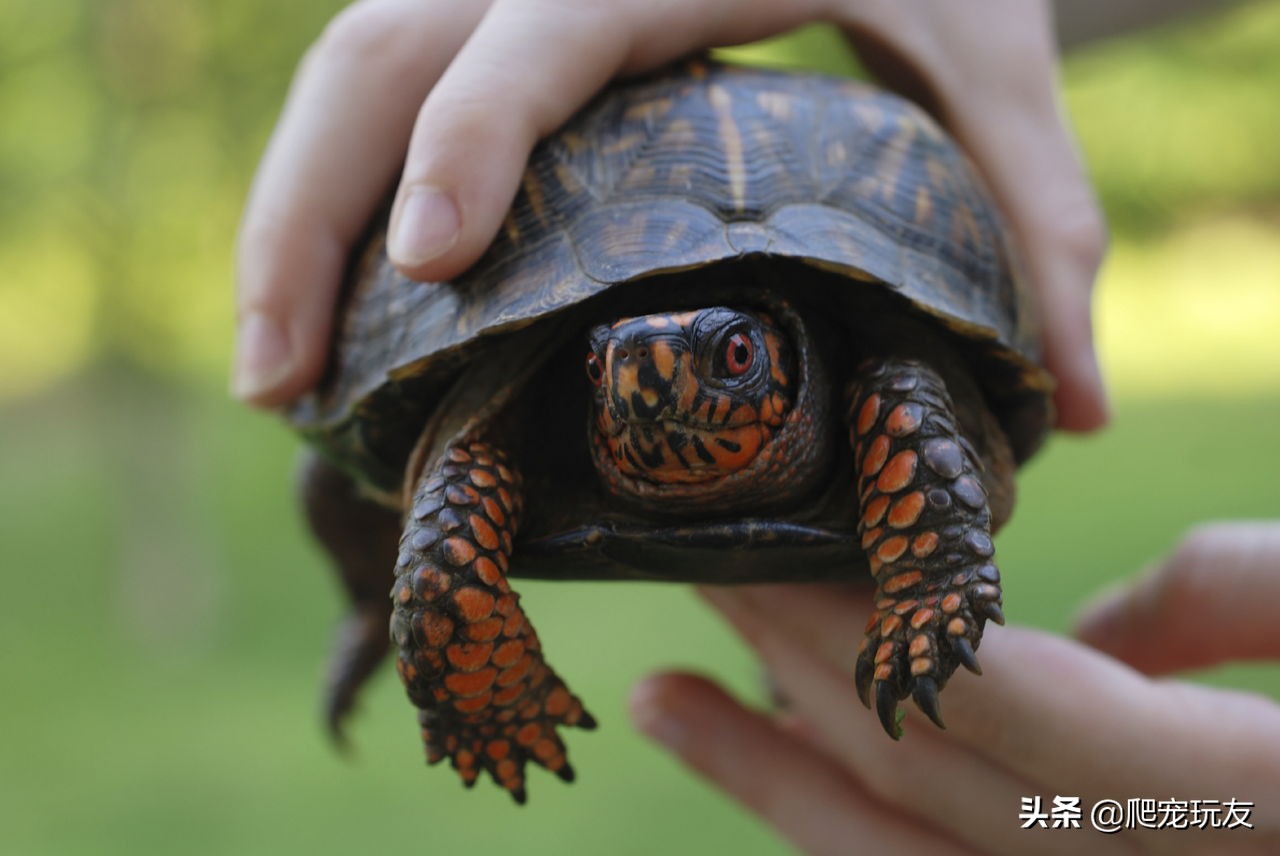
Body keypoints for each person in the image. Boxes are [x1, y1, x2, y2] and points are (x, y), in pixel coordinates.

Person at [234, 0, 1279, 849]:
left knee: (902, 394)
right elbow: (441, 509)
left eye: (727, 357)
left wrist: (929, 576)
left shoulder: (878, 387)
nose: (659, 383)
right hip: (510, 368)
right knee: (382, 499)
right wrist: (470, 679)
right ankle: (379, 610)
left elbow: (902, 395)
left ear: (784, 355)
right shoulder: (511, 434)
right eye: (615, 366)